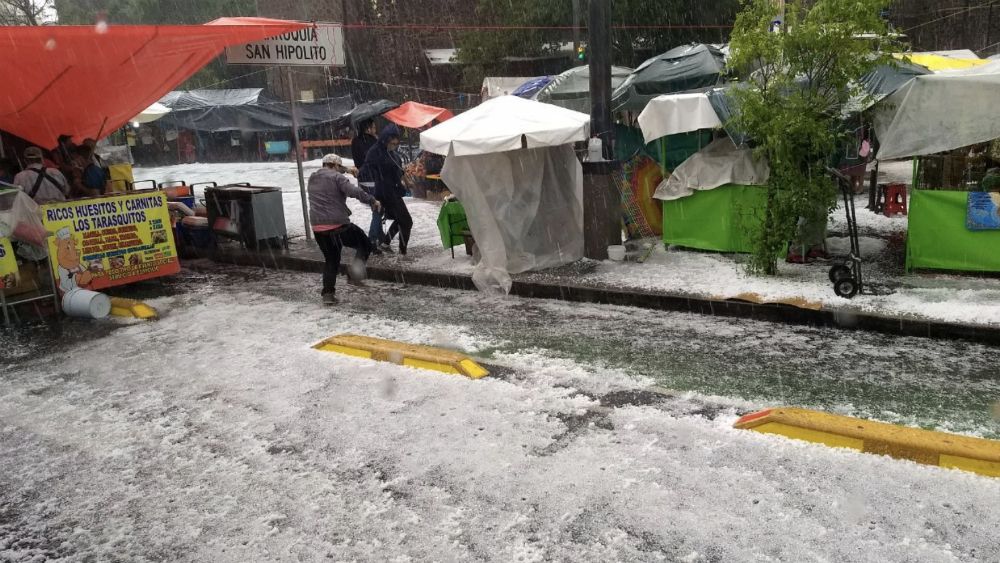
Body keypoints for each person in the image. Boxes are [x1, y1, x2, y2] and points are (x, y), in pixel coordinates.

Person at [308, 153, 382, 305]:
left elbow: (332, 174)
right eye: (339, 167)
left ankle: (328, 294)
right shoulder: (338, 178)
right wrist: (372, 200)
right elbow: (354, 191)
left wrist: (346, 170)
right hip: (338, 226)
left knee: (331, 259)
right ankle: (354, 274)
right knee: (365, 244)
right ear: (336, 166)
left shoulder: (313, 178)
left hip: (318, 228)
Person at [364, 124, 412, 255]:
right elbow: (368, 169)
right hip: (385, 192)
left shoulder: (392, 153)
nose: (394, 145)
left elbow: (398, 169)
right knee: (406, 221)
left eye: (396, 143)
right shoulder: (375, 152)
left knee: (402, 220)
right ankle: (399, 250)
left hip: (394, 191)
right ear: (386, 139)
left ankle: (386, 243)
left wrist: (405, 181)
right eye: (392, 142)